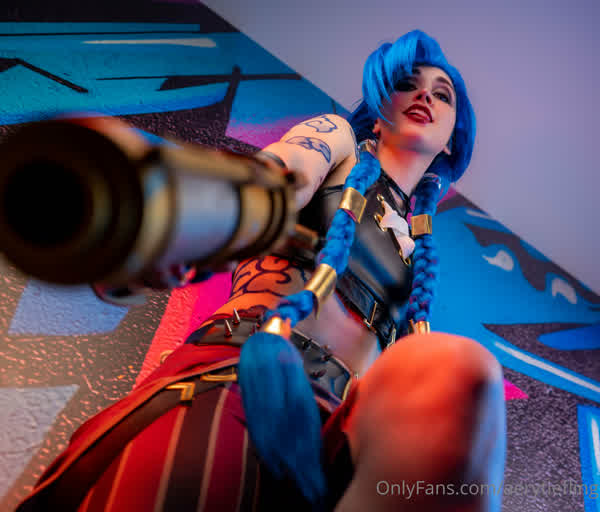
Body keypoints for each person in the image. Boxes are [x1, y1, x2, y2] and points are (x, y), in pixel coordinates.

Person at [18, 29, 506, 512]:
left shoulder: (418, 246)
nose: (424, 96)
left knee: (462, 374)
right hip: (245, 378)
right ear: (378, 109)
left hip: (337, 440)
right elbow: (283, 178)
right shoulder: (336, 138)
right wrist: (179, 214)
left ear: (451, 140)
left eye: (442, 94)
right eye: (406, 83)